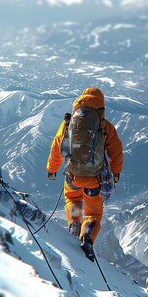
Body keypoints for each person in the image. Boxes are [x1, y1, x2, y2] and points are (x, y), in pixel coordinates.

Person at [46, 87, 123, 261]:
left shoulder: (68, 123)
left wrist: (52, 170)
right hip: (95, 180)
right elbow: (116, 153)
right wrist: (116, 174)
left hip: (72, 176)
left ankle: (74, 223)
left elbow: (57, 148)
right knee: (93, 214)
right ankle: (87, 237)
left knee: (72, 199)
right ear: (101, 107)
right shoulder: (105, 127)